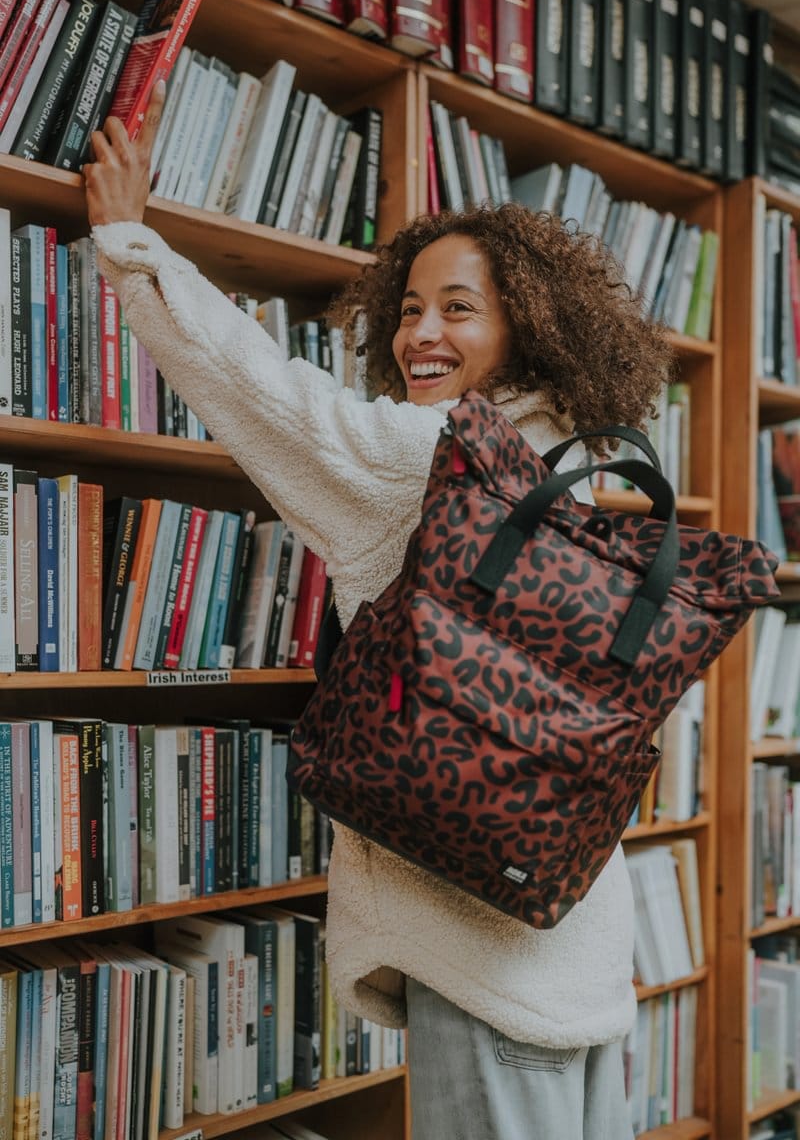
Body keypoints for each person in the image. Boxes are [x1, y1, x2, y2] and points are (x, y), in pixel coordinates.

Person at [83, 84, 672, 1139]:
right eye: (407, 307)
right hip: (574, 945)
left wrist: (131, 247)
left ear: (525, 329)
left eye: (457, 308)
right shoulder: (564, 467)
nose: (420, 334)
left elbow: (261, 391)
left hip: (484, 961)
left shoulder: (435, 456)